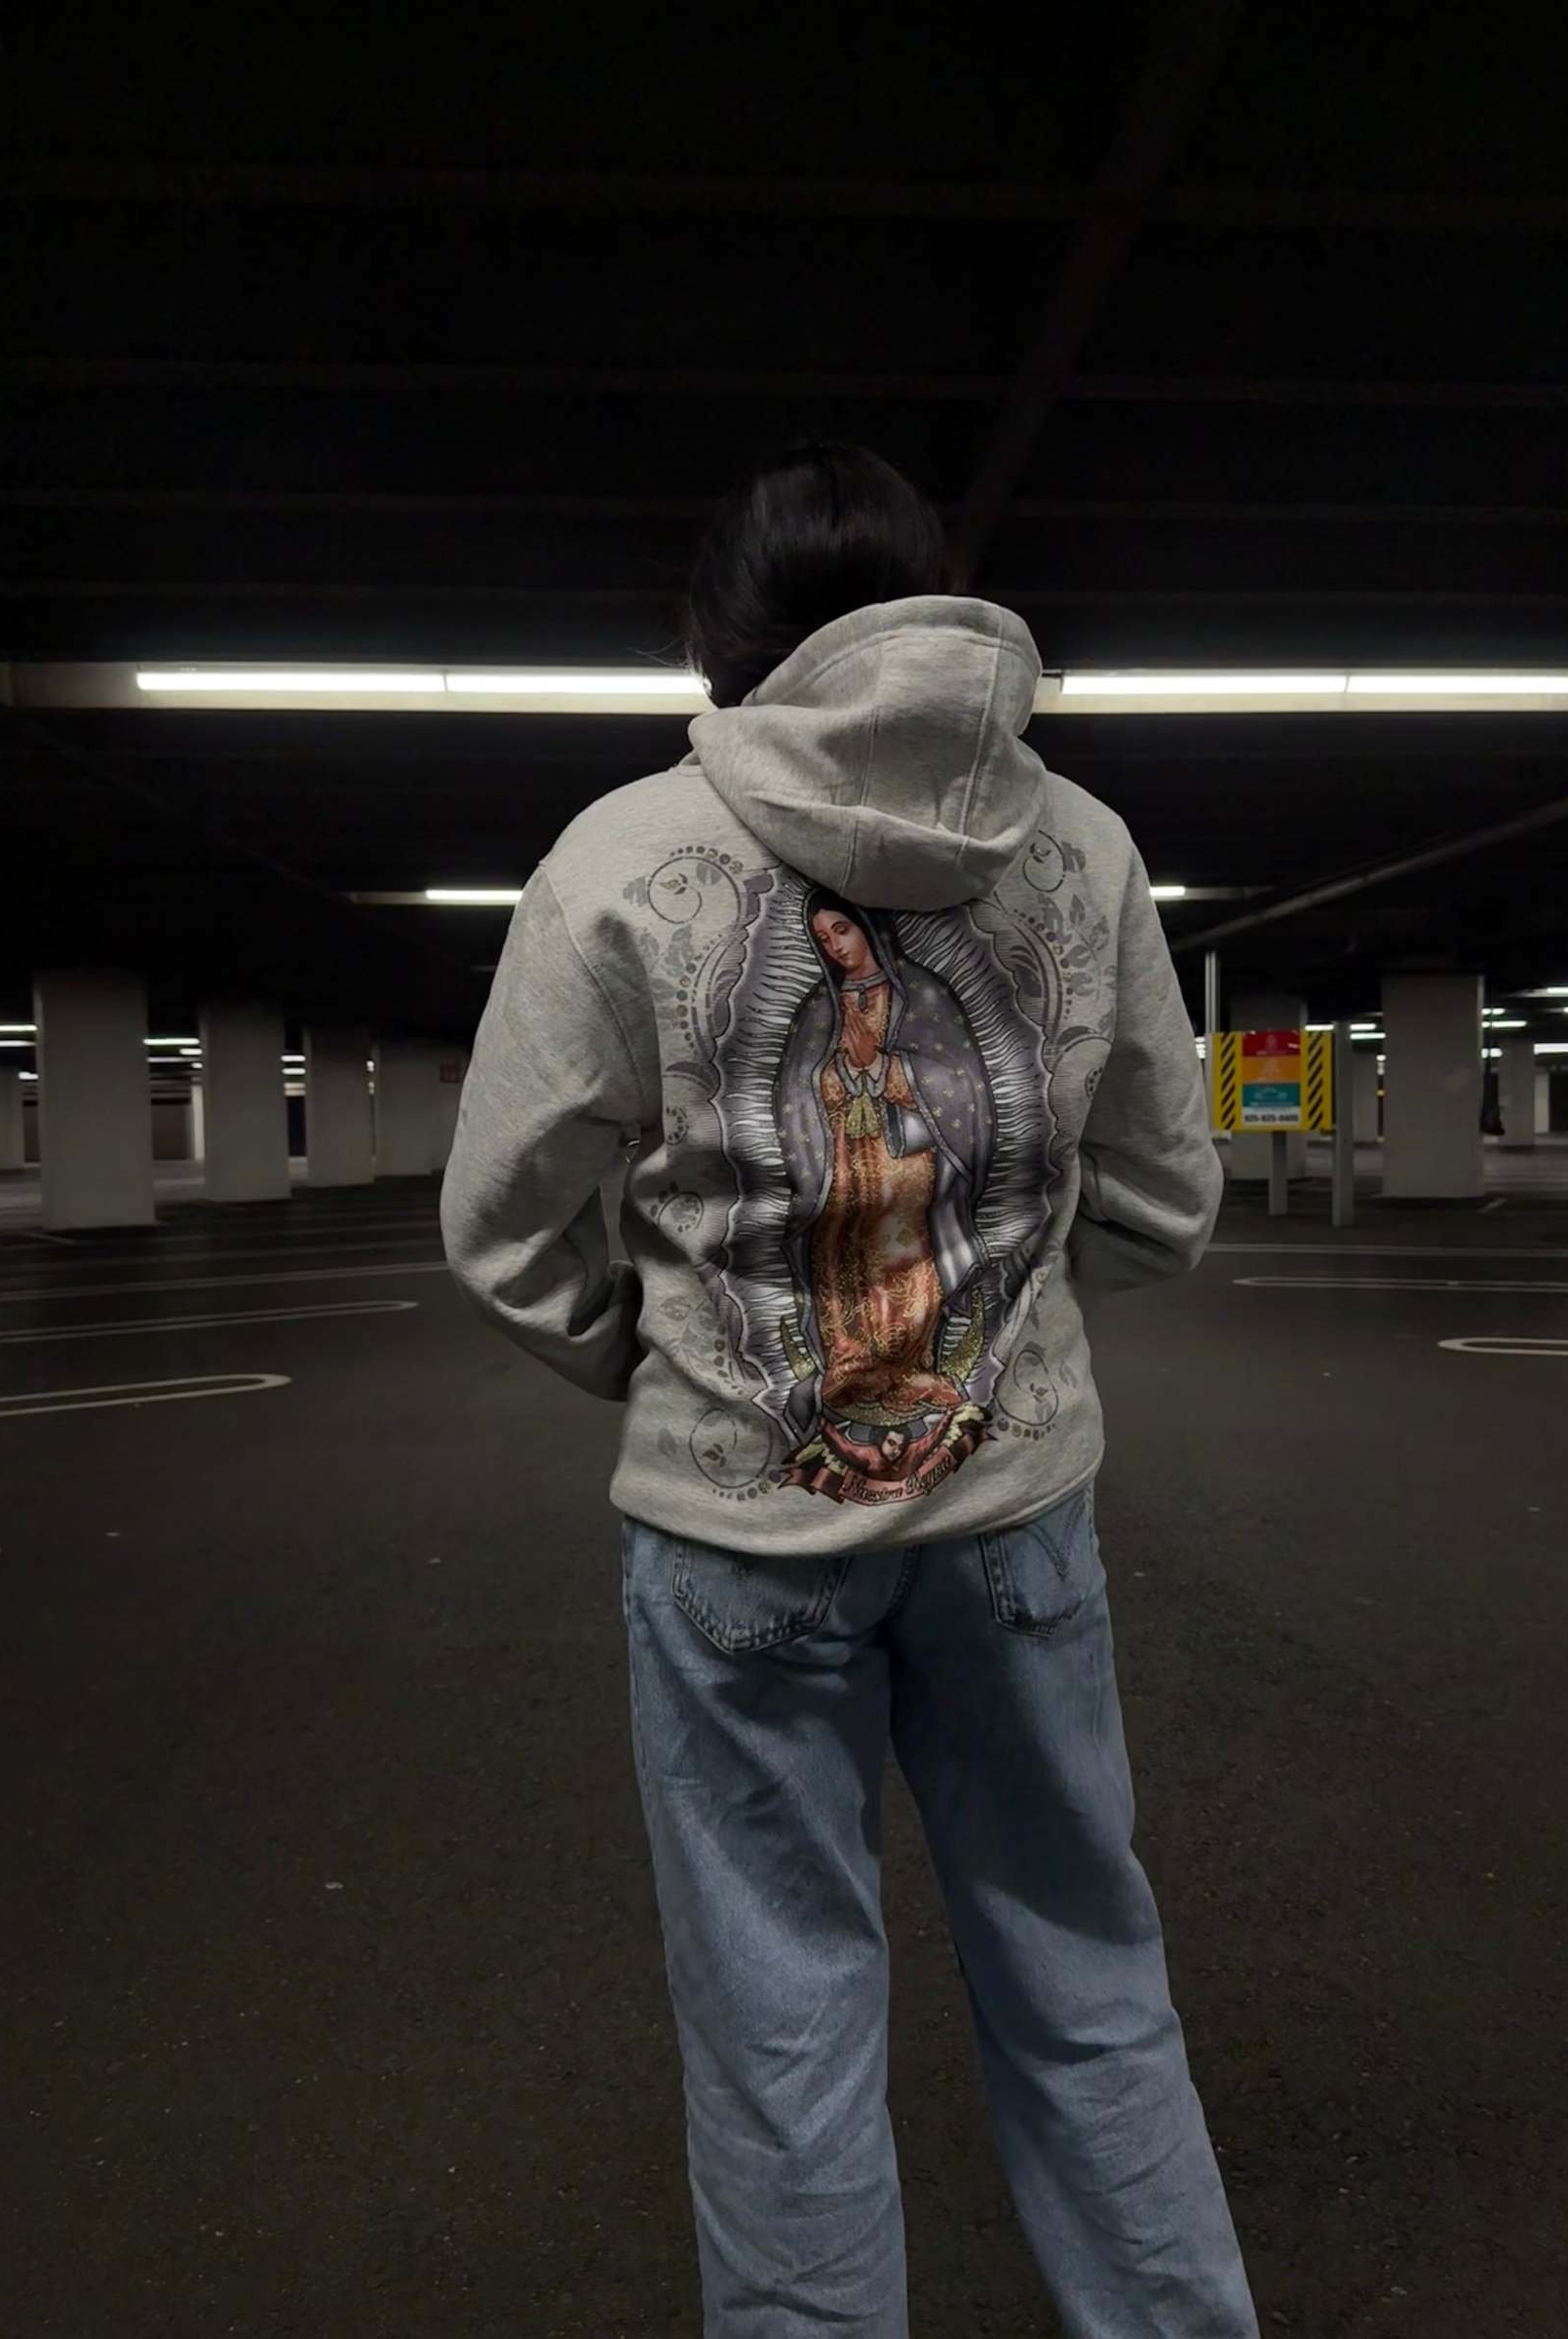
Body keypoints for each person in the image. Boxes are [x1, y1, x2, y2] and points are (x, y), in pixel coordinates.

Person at [440, 440, 1260, 2337]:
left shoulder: (620, 859)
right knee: (1089, 1981)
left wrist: (642, 1352)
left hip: (737, 1530)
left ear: (721, 641)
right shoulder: (1082, 846)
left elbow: (504, 1222)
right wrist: (1016, 1326)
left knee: (779, 2024)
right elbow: (1166, 1195)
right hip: (1012, 1511)